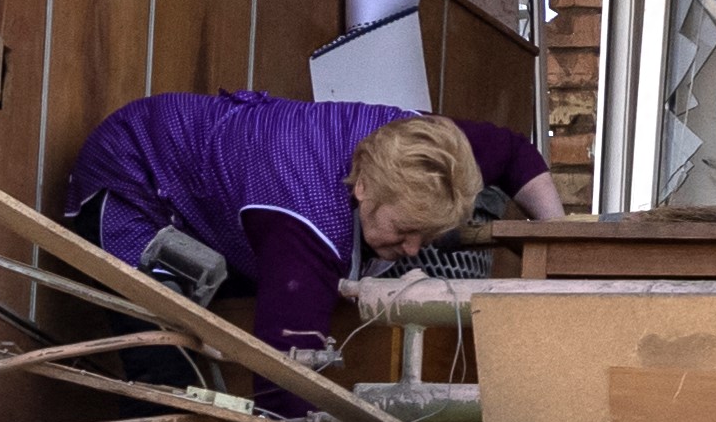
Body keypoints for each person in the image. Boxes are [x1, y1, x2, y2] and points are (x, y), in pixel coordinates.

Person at [63, 97, 552, 355]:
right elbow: (286, 375)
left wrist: (562, 240)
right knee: (165, 363)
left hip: (222, 187)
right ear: (363, 187)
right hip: (133, 180)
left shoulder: (429, 149)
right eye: (404, 231)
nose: (412, 250)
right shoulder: (303, 229)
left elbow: (511, 153)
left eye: (424, 237)